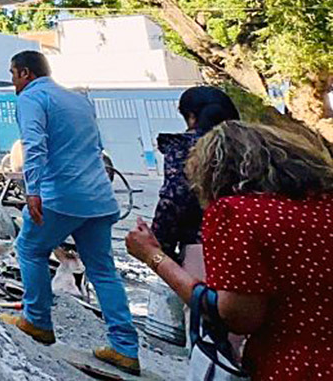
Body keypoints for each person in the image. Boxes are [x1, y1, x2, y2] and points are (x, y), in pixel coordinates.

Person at [126, 121, 333, 380]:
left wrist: (153, 256)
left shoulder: (238, 213)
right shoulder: (323, 205)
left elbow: (239, 316)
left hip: (298, 365)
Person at [0, 50, 140, 376]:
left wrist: (32, 190)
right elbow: (96, 147)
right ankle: (125, 348)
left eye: (13, 74)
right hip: (98, 197)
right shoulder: (78, 100)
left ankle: (37, 321)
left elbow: (34, 144)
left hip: (60, 196)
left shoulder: (31, 98)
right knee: (103, 270)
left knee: (29, 249)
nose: (13, 81)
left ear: (25, 73)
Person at [151, 86, 239, 269]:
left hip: (204, 250)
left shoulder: (184, 148)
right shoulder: (253, 144)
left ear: (191, 117)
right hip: (263, 242)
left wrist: (158, 251)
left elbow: (175, 198)